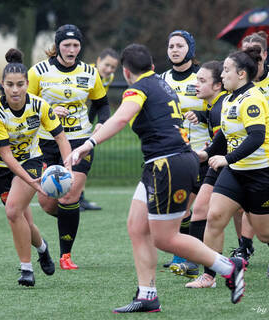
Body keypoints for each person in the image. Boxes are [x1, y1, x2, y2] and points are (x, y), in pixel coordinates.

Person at [65, 43, 247, 312]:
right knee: (136, 226)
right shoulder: (160, 83)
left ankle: (227, 266)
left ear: (126, 73)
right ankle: (148, 295)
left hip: (168, 164)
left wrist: (87, 143)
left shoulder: (139, 88)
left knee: (165, 238)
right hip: (160, 163)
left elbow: (120, 118)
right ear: (151, 65)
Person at [0, 48, 72, 286]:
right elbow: (6, 155)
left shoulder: (40, 105)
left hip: (32, 160)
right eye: (10, 84)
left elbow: (61, 138)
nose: (15, 90)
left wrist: (68, 167)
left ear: (27, 84)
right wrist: (32, 182)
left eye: (20, 84)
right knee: (24, 220)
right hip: (3, 167)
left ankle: (26, 270)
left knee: (12, 211)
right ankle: (43, 248)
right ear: (2, 85)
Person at [28, 24, 110, 270]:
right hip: (45, 142)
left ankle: (66, 256)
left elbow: (103, 104)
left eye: (76, 45)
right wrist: (48, 111)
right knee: (48, 203)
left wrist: (102, 124)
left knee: (69, 194)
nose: (72, 49)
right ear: (58, 46)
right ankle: (69, 215)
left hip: (79, 141)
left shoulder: (90, 73)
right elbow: (25, 106)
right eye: (67, 45)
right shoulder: (38, 72)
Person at [198, 46, 269, 288]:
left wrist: (227, 159)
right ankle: (209, 275)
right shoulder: (229, 99)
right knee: (214, 217)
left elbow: (256, 136)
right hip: (235, 173)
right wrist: (205, 153)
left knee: (264, 234)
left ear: (241, 74)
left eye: (226, 70)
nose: (222, 75)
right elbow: (224, 137)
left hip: (261, 174)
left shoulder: (253, 99)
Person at [172, 61, 229, 287]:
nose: (196, 84)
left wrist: (202, 154)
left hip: (236, 167)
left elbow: (221, 145)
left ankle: (210, 266)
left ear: (217, 85)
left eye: (202, 81)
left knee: (261, 229)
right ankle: (204, 271)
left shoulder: (219, 107)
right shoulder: (211, 107)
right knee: (202, 214)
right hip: (220, 166)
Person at [160, 30, 210, 273]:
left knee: (185, 208)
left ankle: (190, 256)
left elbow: (219, 108)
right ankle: (186, 254)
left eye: (180, 45)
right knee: (179, 207)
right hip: (173, 154)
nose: (175, 50)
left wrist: (201, 115)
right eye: (171, 46)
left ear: (190, 49)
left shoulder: (202, 78)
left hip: (202, 154)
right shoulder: (162, 79)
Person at [230, 31, 269, 268]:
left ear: (265, 54)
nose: (251, 56)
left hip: (264, 155)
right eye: (245, 52)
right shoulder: (237, 85)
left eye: (255, 51)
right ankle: (244, 246)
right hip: (246, 156)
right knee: (239, 204)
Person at [80, 47, 120, 211]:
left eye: (113, 67)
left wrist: (94, 123)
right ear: (97, 61)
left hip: (85, 121)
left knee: (84, 158)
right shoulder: (86, 73)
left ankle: (79, 197)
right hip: (71, 121)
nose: (109, 70)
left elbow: (98, 103)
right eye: (106, 65)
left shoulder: (107, 78)